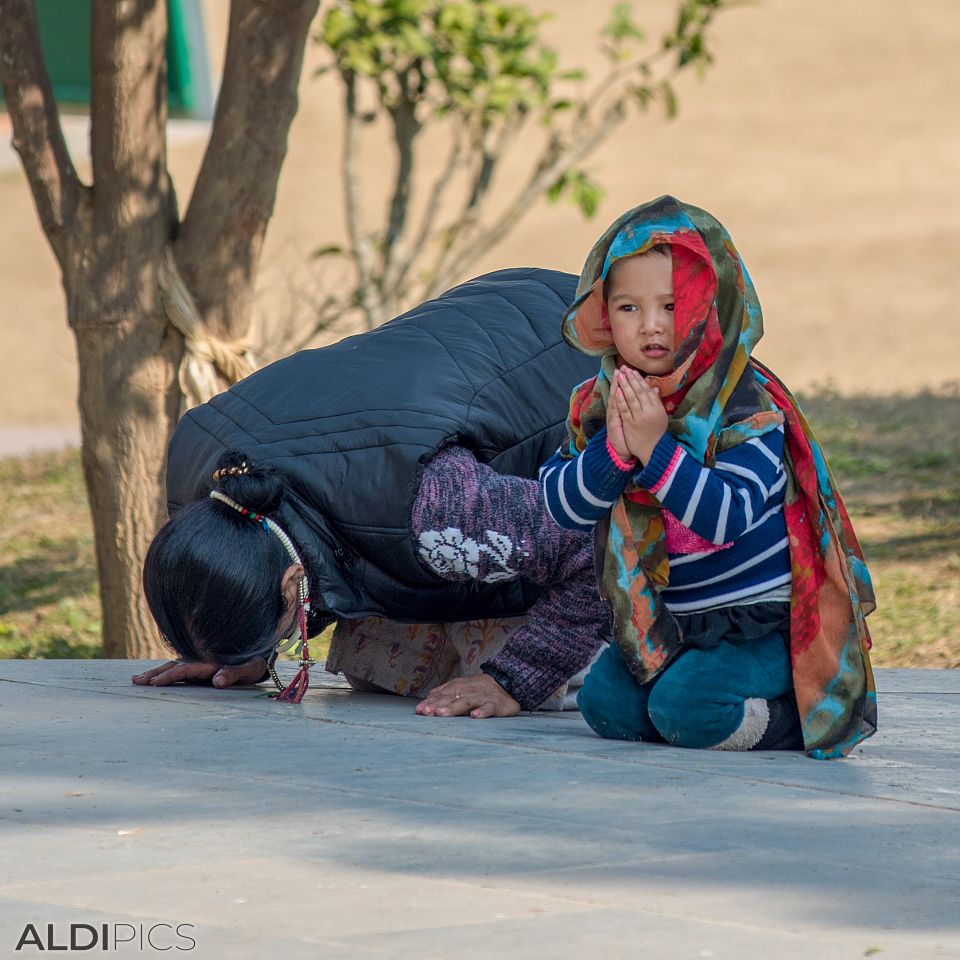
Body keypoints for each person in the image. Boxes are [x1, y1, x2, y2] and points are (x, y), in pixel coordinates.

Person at [133, 268, 610, 718]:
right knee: (381, 663)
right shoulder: (205, 476)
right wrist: (231, 646)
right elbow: (308, 539)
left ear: (291, 583)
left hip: (590, 346)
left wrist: (515, 680)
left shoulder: (436, 509)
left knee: (552, 672)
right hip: (490, 327)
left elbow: (588, 551)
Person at [539, 196, 877, 759]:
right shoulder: (601, 403)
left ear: (712, 305)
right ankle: (694, 702)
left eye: (673, 305)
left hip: (763, 624)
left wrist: (654, 448)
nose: (651, 325)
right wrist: (614, 453)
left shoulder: (745, 405)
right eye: (628, 307)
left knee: (686, 708)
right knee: (606, 706)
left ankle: (795, 715)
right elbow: (560, 508)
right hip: (673, 620)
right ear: (603, 315)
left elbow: (726, 518)